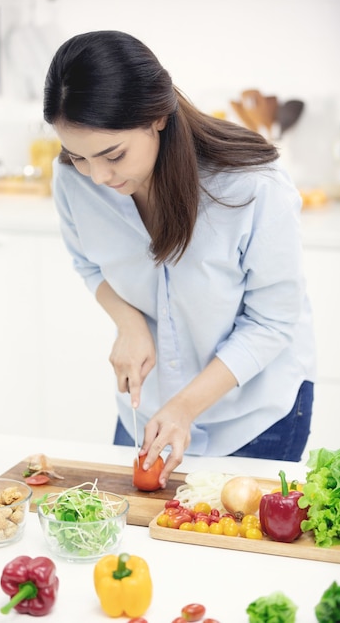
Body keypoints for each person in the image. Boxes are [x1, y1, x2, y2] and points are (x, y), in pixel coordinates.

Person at [43, 30, 315, 487]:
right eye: (80, 157)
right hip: (149, 412)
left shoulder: (253, 187)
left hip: (255, 417)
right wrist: (129, 324)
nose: (97, 176)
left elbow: (272, 322)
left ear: (157, 118)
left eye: (113, 155)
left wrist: (185, 407)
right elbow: (88, 264)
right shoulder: (73, 179)